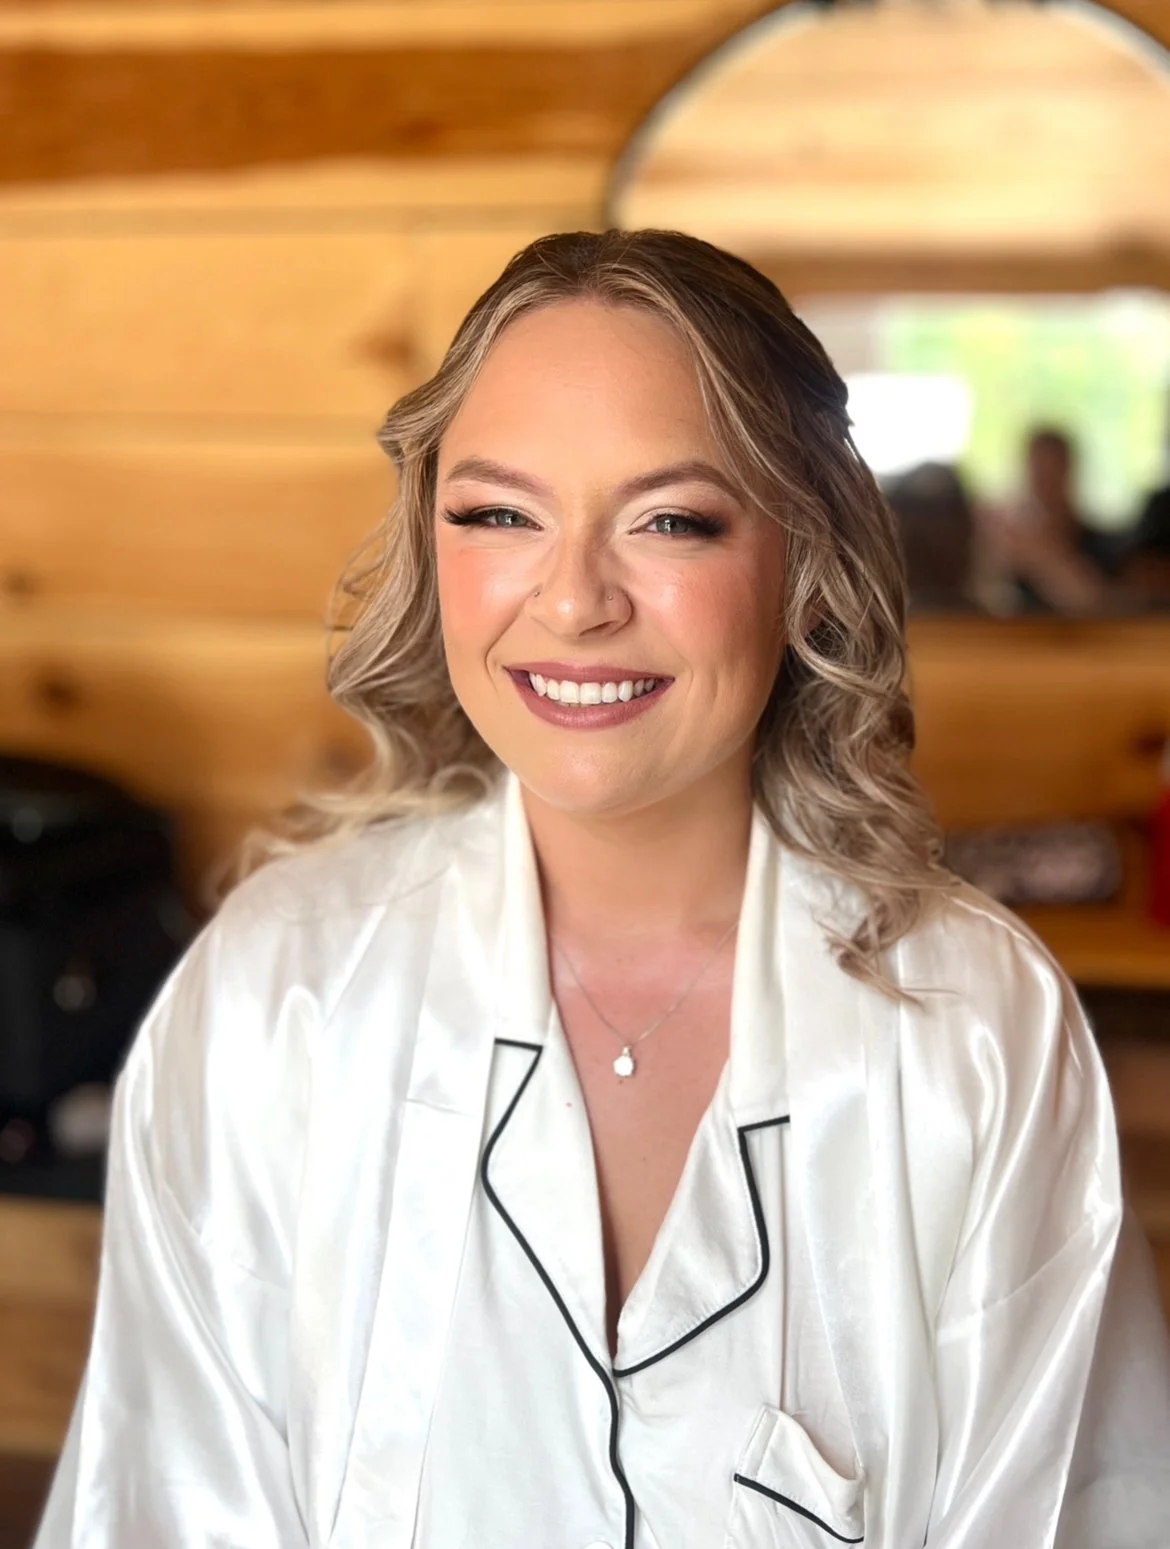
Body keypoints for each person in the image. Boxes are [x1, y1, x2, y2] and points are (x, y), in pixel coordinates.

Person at [35, 231, 1170, 1548]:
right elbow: (162, 1502)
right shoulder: (275, 994)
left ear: (804, 567)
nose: (573, 601)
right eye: (499, 515)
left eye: (669, 521)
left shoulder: (973, 1024)